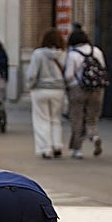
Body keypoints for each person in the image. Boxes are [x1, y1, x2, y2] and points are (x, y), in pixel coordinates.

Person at [63, 29, 107, 159]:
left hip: (78, 89)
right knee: (92, 118)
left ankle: (78, 150)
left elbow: (69, 75)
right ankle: (94, 137)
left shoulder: (73, 54)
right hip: (97, 89)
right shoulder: (97, 51)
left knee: (77, 119)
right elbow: (102, 68)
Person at [26, 28, 66, 159]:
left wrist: (30, 86)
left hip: (40, 90)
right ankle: (57, 145)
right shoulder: (63, 54)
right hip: (58, 90)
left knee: (42, 119)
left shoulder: (38, 54)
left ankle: (45, 148)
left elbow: (32, 74)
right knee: (55, 119)